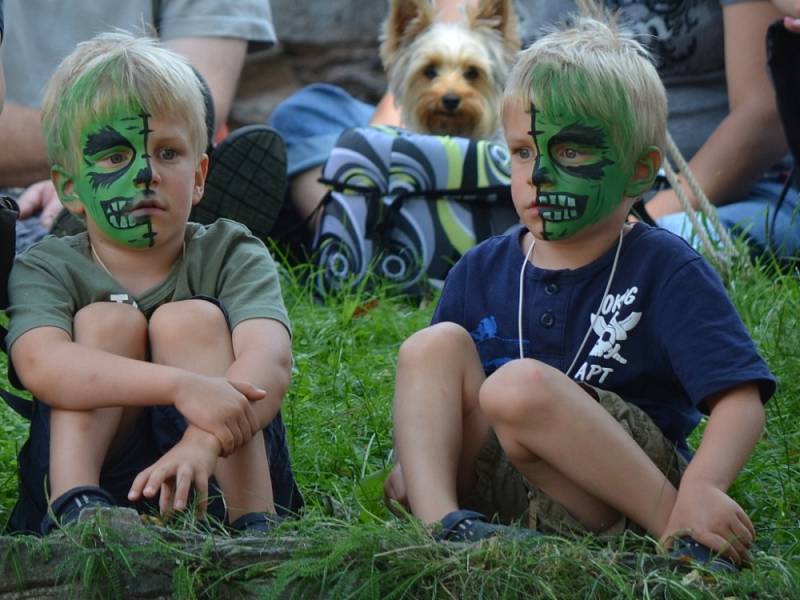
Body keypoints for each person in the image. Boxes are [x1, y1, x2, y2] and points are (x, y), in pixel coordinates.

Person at [383, 10, 774, 568]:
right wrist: (414, 461)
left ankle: (676, 531)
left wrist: (702, 489)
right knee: (431, 346)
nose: (539, 176)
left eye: (569, 153)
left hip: (619, 486)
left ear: (641, 173)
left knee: (516, 387)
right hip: (501, 498)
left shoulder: (664, 266)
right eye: (523, 151)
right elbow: (439, 395)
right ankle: (442, 526)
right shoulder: (480, 269)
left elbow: (739, 401)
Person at [4, 32, 300, 534]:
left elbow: (269, 362)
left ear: (201, 174)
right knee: (103, 321)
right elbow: (41, 363)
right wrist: (183, 386)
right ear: (70, 188)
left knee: (191, 320)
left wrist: (203, 439)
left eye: (167, 153)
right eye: (116, 157)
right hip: (101, 462)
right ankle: (77, 518)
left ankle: (255, 526)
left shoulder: (231, 250)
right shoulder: (47, 265)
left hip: (222, 457)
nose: (145, 173)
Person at [270, 0, 797, 259]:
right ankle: (371, 222)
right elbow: (430, 52)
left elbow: (762, 115)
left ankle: (379, 238)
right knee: (310, 111)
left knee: (669, 248)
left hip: (685, 184)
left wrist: (643, 216)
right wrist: (382, 165)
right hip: (516, 166)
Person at [2, 1, 280, 250]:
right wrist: (86, 169)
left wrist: (104, 162)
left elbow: (195, 107)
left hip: (115, 176)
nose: (144, 173)